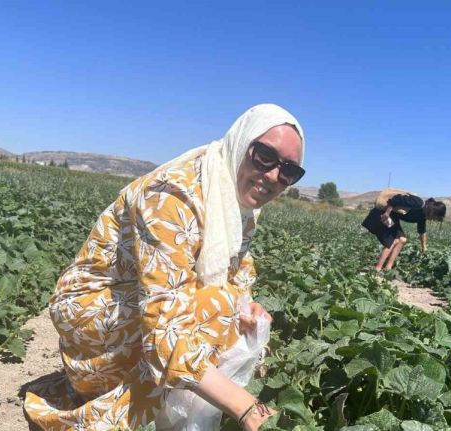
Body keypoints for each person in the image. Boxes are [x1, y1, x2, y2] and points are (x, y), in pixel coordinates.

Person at [24, 104, 305, 431]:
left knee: (231, 313)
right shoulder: (171, 194)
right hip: (93, 313)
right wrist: (245, 406)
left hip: (142, 308)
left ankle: (174, 404)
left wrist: (248, 308)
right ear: (241, 143)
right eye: (264, 156)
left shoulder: (238, 201)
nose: (273, 175)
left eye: (289, 171)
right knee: (209, 315)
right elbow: (166, 327)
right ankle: (127, 408)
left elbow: (237, 273)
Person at [361, 191, 446, 271]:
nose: (433, 219)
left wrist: (424, 248)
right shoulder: (418, 203)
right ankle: (377, 268)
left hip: (392, 218)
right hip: (383, 214)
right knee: (394, 240)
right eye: (435, 217)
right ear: (433, 211)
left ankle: (388, 268)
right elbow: (396, 199)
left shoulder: (422, 216)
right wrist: (387, 213)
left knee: (402, 239)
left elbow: (422, 232)